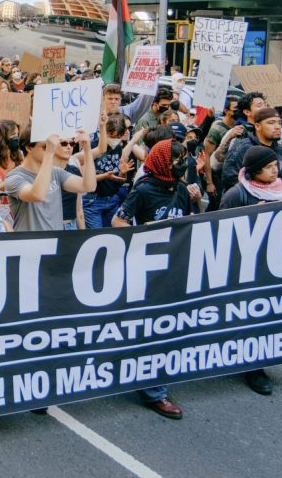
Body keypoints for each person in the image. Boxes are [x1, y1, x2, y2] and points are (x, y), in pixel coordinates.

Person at [112, 139, 194, 419]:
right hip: (146, 270)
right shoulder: (144, 190)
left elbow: (189, 224)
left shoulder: (182, 190)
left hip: (174, 269)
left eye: (184, 158)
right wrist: (146, 231)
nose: (183, 163)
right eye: (176, 159)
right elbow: (119, 222)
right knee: (152, 329)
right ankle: (155, 392)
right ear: (161, 162)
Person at [220, 145, 282, 395]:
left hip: (270, 264)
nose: (275, 171)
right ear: (254, 170)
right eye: (269, 167)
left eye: (276, 167)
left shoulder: (281, 191)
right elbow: (219, 231)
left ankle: (256, 364)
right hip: (242, 266)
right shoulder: (236, 194)